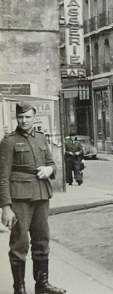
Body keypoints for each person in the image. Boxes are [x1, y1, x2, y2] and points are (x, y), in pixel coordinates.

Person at [0, 102, 66, 294]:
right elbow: (2, 176)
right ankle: (19, 288)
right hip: (19, 198)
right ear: (17, 118)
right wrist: (5, 206)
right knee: (20, 243)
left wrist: (49, 170)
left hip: (41, 195)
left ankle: (42, 285)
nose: (24, 120)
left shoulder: (40, 138)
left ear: (34, 117)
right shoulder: (9, 141)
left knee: (42, 240)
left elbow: (52, 163)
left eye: (28, 117)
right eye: (21, 117)